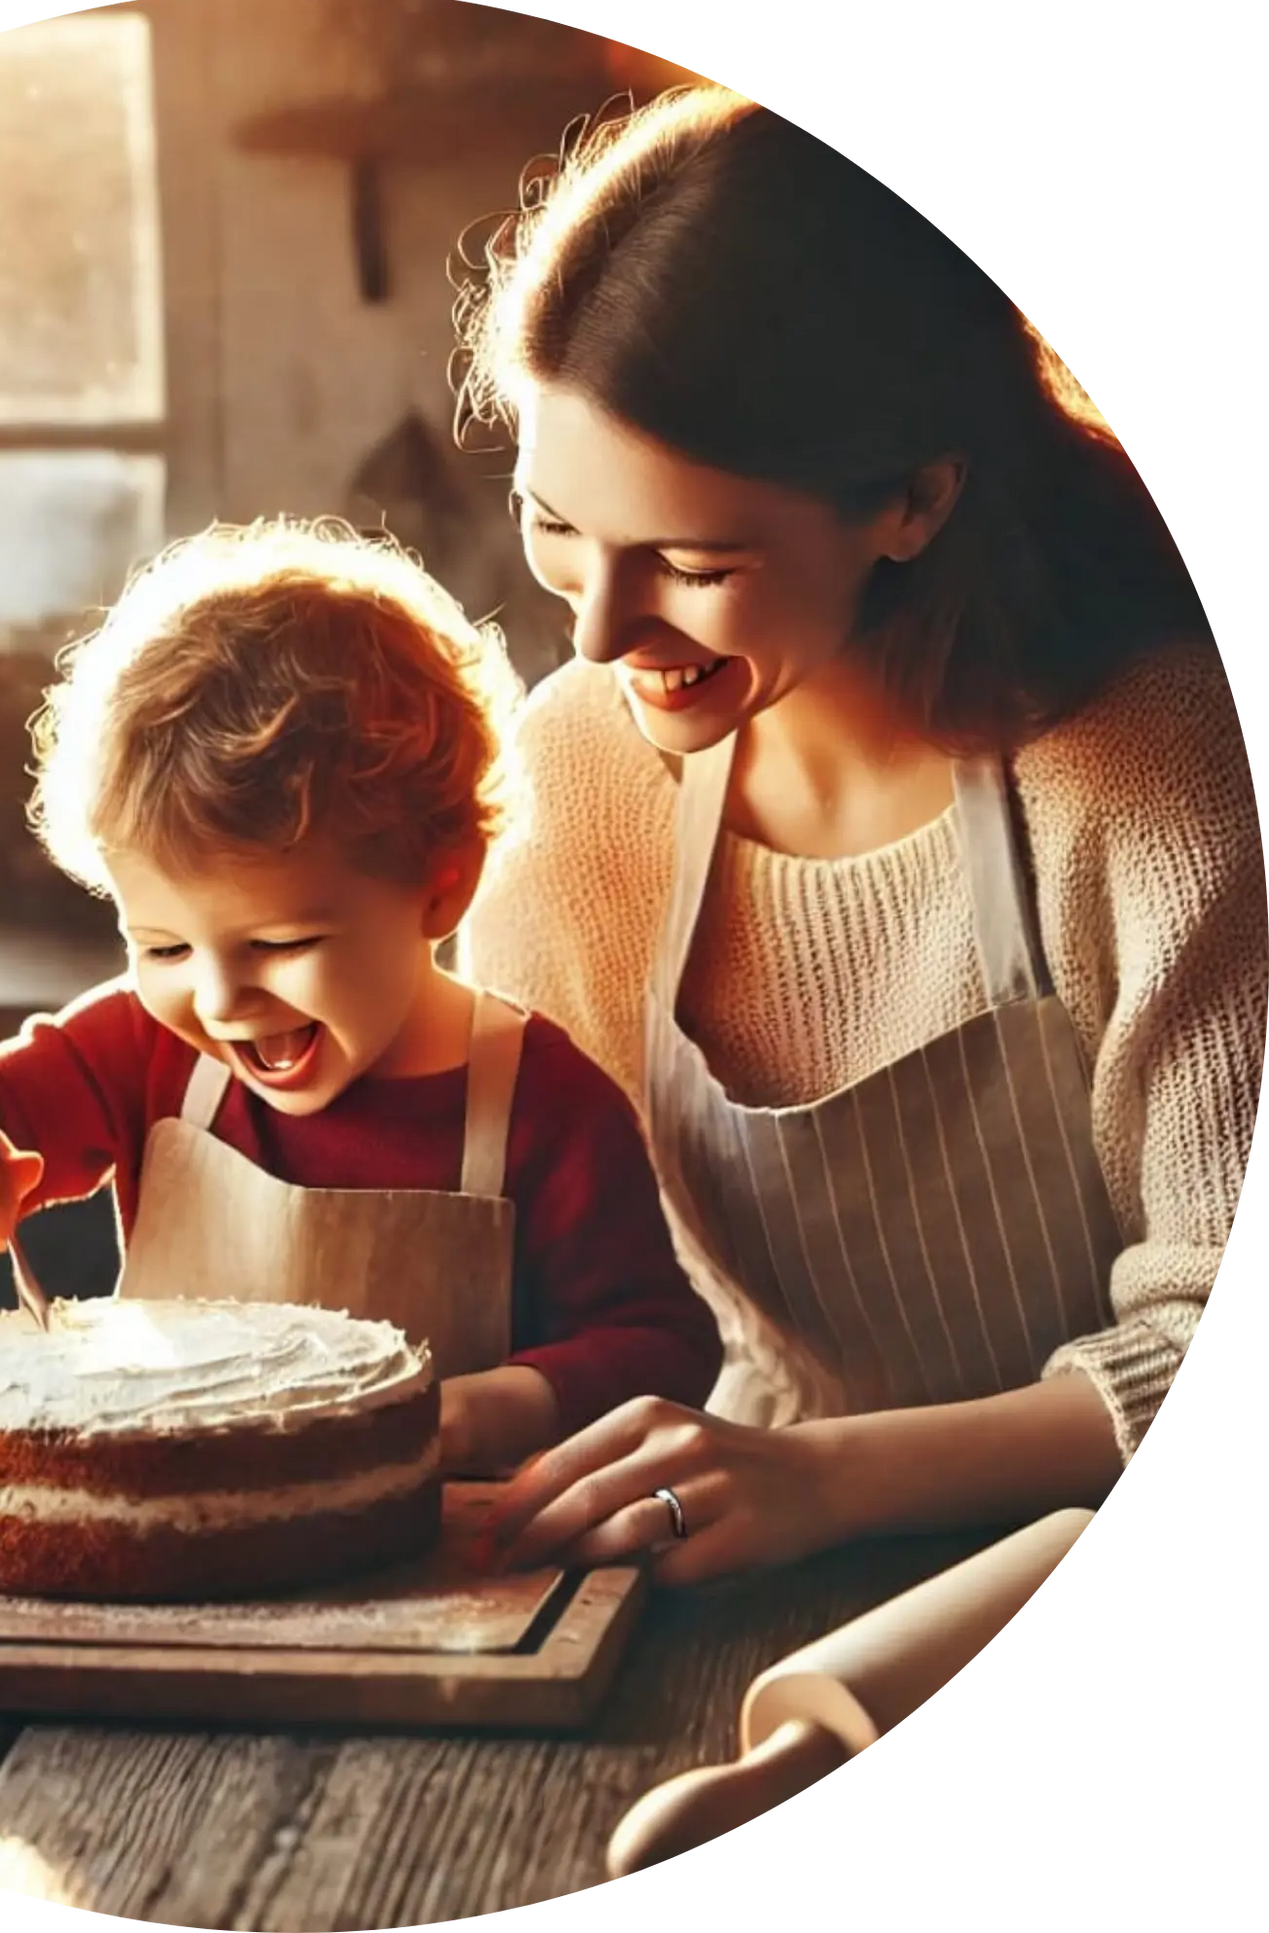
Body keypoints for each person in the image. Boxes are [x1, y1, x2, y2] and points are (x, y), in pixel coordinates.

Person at [453, 85, 1265, 1581]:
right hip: (720, 1535)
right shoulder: (581, 760)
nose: (600, 626)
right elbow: (469, 1195)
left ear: (910, 500)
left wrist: (825, 1477)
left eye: (691, 563)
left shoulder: (1150, 764)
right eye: (553, 525)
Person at [0, 518, 723, 1474]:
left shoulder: (545, 1105)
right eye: (160, 945)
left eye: (281, 943)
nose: (220, 998)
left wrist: (486, 1414)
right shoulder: (142, 1052)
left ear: (440, 886)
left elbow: (662, 1347)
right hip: (177, 1557)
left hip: (449, 1569)